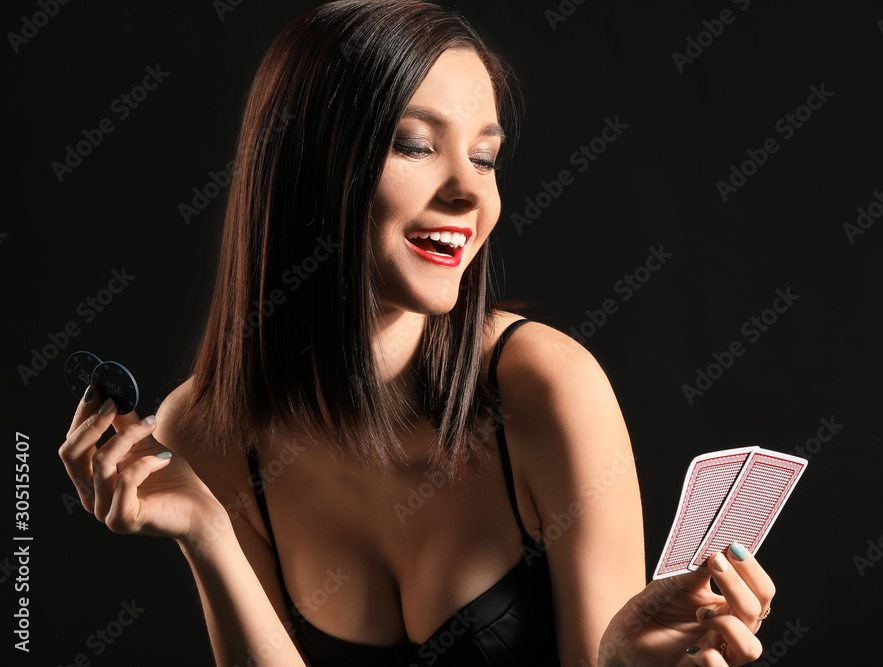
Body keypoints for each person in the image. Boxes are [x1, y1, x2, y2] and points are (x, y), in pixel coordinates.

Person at [59, 1, 774, 665]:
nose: (468, 192)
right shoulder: (210, 427)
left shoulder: (547, 385)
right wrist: (207, 535)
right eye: (414, 145)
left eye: (486, 156)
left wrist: (621, 660)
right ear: (308, 168)